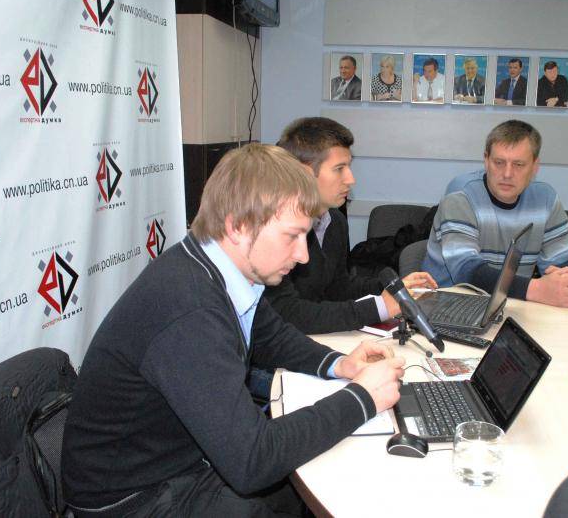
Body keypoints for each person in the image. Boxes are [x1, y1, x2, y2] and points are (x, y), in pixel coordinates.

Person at [62, 144, 405, 516]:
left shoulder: (218, 267)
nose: (303, 255)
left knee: (319, 482)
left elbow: (270, 335)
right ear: (238, 227)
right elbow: (252, 462)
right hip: (134, 499)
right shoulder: (190, 309)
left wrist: (340, 364)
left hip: (177, 461)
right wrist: (363, 398)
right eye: (292, 236)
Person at [264, 117, 437, 335]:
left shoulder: (335, 221)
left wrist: (394, 289)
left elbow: (338, 288)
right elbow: (288, 312)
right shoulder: (276, 228)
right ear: (304, 173)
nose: (350, 179)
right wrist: (379, 307)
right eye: (339, 169)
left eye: (349, 166)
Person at [422, 120, 568, 308]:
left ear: (535, 166)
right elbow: (466, 270)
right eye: (499, 162)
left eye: (518, 164)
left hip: (513, 305)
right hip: (448, 306)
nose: (507, 173)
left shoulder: (545, 199)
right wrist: (536, 289)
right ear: (486, 160)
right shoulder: (461, 196)